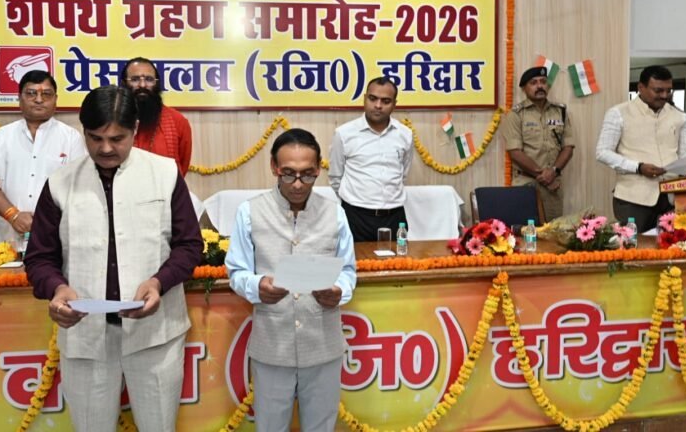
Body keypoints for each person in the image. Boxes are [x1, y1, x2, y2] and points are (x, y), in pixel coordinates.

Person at [23, 85, 203, 432]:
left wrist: (158, 282)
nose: (106, 148)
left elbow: (189, 246)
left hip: (156, 335)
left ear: (134, 128)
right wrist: (56, 289)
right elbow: (40, 258)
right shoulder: (60, 182)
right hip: (86, 336)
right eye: (95, 138)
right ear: (83, 131)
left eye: (117, 138)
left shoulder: (165, 173)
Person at [226, 128, 356, 432]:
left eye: (308, 175)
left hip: (323, 343)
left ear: (319, 168)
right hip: (272, 345)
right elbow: (236, 271)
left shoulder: (335, 214)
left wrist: (339, 290)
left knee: (321, 426)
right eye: (288, 174)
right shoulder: (250, 212)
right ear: (274, 166)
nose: (298, 184)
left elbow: (348, 270)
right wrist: (257, 286)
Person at [0, 70, 86, 245]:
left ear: (56, 99)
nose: (39, 99)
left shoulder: (71, 138)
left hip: (56, 238)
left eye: (46, 94)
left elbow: (80, 187)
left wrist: (49, 221)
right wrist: (14, 215)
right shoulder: (1, 137)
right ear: (19, 98)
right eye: (31, 93)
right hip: (9, 239)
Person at [596, 65, 686, 230]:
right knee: (634, 244)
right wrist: (638, 167)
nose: (664, 96)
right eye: (658, 90)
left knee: (671, 243)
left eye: (668, 91)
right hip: (633, 198)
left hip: (671, 196)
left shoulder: (679, 116)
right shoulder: (619, 113)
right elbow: (602, 152)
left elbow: (684, 152)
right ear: (641, 87)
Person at [329, 76, 413, 242]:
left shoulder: (405, 134)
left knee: (398, 258)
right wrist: (356, 201)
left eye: (386, 101)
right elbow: (335, 177)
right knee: (354, 259)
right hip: (356, 217)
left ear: (394, 104)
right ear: (365, 99)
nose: (378, 105)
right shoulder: (344, 133)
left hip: (395, 216)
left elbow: (403, 173)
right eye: (373, 98)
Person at [501, 66, 575, 221]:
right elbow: (515, 152)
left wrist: (553, 172)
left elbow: (568, 147)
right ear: (524, 88)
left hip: (553, 185)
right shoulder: (516, 114)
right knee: (525, 230)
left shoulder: (560, 111)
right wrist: (543, 176)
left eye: (543, 82)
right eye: (533, 83)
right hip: (526, 184)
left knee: (553, 230)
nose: (540, 86)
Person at [120, 56, 193, 176]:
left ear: (157, 83)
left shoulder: (178, 121)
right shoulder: (113, 119)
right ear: (124, 83)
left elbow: (181, 168)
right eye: (135, 79)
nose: (142, 85)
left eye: (149, 79)